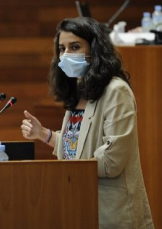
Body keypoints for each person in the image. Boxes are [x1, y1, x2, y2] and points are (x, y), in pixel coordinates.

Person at [20, 17, 154, 229]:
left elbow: (112, 162)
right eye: (62, 49)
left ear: (95, 49)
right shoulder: (78, 92)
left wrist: (64, 170)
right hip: (78, 204)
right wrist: (43, 134)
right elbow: (77, 146)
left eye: (74, 47)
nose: (66, 55)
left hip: (111, 211)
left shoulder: (116, 91)